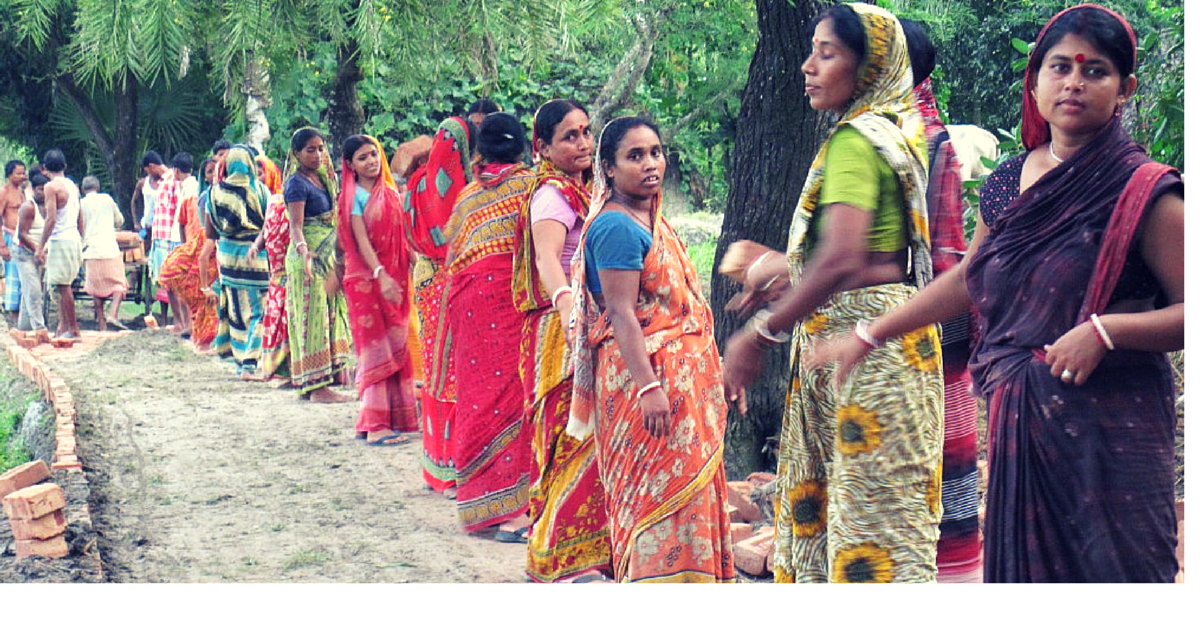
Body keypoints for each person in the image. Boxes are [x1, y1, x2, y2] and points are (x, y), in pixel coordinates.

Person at [811, 4, 1183, 583]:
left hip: (1112, 440)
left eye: (1096, 71)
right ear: (1034, 84)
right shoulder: (1010, 180)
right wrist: (870, 333)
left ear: (1126, 87)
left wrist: (1107, 332)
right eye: (1059, 68)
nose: (1074, 83)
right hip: (1023, 429)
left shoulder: (1145, 191)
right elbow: (969, 278)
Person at [721, 3, 943, 583]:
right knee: (879, 526)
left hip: (862, 350)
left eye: (827, 53)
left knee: (861, 533)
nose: (807, 66)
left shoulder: (854, 142)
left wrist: (761, 332)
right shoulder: (898, 130)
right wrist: (786, 274)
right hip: (893, 342)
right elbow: (878, 256)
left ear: (867, 68)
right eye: (811, 50)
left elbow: (843, 258)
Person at [567, 116, 734, 583]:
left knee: (691, 495)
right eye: (634, 156)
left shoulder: (651, 219)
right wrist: (649, 388)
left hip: (684, 389)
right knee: (655, 501)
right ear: (609, 168)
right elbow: (621, 314)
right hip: (645, 387)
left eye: (655, 152)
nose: (649, 164)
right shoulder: (617, 228)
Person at [513, 99, 611, 582]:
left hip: (589, 323)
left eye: (586, 132)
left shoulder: (587, 189)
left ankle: (588, 551)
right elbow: (549, 259)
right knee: (567, 436)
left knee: (594, 439)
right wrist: (568, 306)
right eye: (569, 136)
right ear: (543, 147)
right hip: (560, 330)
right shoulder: (551, 195)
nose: (583, 144)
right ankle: (557, 557)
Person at [900, 17, 982, 583]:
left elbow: (945, 246)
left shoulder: (928, 141)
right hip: (911, 311)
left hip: (928, 314)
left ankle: (946, 575)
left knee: (936, 443)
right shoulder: (886, 134)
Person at [443, 112, 534, 539]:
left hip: (467, 310)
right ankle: (511, 513)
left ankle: (481, 504)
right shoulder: (530, 188)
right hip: (507, 308)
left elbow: (452, 257)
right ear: (524, 147)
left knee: (480, 399)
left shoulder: (465, 197)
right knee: (511, 399)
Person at [403, 117, 472, 496]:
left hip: (425, 277)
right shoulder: (462, 191)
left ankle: (435, 462)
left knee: (434, 368)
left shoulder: (415, 185)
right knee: (455, 373)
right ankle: (454, 467)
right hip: (452, 279)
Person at [335, 135, 417, 445]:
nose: (371, 161)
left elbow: (402, 235)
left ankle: (382, 419)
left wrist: (413, 263)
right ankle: (376, 425)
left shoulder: (391, 192)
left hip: (393, 279)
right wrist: (380, 273)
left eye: (373, 154)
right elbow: (360, 242)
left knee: (394, 344)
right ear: (350, 166)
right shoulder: (352, 195)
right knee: (374, 351)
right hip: (366, 282)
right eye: (362, 157)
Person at [277, 127, 351, 402]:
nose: (318, 154)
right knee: (312, 319)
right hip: (309, 260)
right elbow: (296, 226)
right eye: (310, 150)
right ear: (297, 154)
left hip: (327, 257)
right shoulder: (297, 183)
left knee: (329, 315)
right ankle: (316, 386)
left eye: (320, 148)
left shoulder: (323, 179)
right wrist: (305, 252)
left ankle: (328, 376)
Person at [203, 145, 271, 380]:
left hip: (227, 257)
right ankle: (250, 364)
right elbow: (269, 227)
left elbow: (210, 231)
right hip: (255, 258)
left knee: (235, 309)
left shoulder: (213, 193)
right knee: (260, 311)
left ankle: (239, 356)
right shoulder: (260, 191)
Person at [159, 159, 219, 352]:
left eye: (216, 171)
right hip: (203, 245)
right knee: (199, 293)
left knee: (210, 297)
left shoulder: (223, 196)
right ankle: (198, 334)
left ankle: (208, 338)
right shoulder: (202, 197)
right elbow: (186, 223)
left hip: (217, 249)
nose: (213, 176)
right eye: (209, 172)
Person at [36, 149, 85, 340]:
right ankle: (64, 327)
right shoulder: (72, 186)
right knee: (64, 286)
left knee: (63, 288)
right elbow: (80, 216)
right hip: (72, 238)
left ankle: (73, 329)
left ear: (44, 169)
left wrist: (41, 246)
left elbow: (51, 219)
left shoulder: (51, 187)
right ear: (64, 166)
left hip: (61, 239)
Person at [78, 176, 128, 332]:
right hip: (109, 249)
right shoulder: (107, 199)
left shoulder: (80, 204)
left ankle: (102, 325)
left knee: (95, 288)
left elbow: (78, 227)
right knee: (119, 284)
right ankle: (113, 314)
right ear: (98, 187)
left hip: (90, 251)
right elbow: (119, 221)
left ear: (82, 189)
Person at [13, 173, 48, 336]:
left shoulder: (49, 206)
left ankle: (24, 328)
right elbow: (22, 234)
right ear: (33, 190)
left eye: (44, 189)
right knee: (34, 290)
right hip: (23, 252)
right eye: (39, 190)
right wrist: (37, 250)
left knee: (29, 290)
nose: (42, 193)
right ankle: (39, 328)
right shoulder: (28, 207)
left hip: (38, 251)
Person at [2, 160, 29, 316]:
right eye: (18, 173)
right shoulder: (4, 192)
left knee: (23, 276)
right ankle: (13, 314)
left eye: (23, 173)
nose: (22, 176)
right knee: (12, 276)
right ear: (9, 174)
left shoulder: (22, 192)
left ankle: (22, 315)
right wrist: (2, 246)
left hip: (22, 238)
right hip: (9, 237)